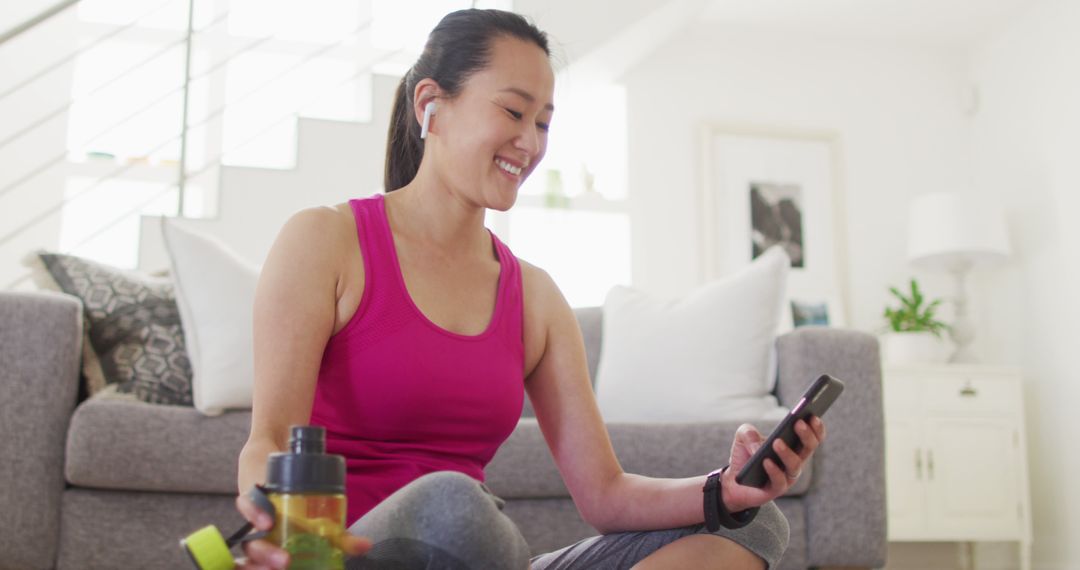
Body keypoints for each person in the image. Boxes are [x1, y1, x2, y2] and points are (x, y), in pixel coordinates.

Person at [234, 8, 826, 570]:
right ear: (431, 104)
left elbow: (605, 495)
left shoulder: (535, 298)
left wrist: (724, 489)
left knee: (756, 524)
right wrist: (281, 530)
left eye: (543, 122)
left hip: (482, 551)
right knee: (456, 506)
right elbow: (268, 441)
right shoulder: (325, 241)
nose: (532, 143)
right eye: (514, 113)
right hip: (343, 551)